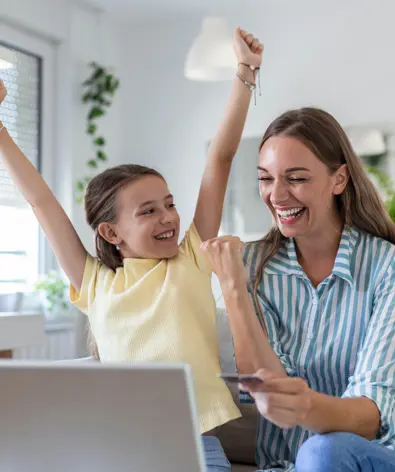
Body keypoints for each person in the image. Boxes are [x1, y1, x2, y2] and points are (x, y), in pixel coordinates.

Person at [0, 27, 263, 472]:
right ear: (110, 231)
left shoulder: (191, 258)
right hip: (118, 448)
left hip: (198, 447)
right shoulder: (95, 282)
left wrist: (245, 73)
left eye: (170, 204)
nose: (168, 218)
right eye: (148, 211)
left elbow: (218, 159)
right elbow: (41, 202)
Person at [201, 107, 395, 471]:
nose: (277, 195)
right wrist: (234, 289)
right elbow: (268, 389)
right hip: (284, 463)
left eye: (296, 178)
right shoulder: (256, 264)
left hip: (368, 457)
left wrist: (305, 405)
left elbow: (371, 416)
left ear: (338, 179)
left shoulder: (387, 267)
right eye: (265, 179)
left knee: (323, 452)